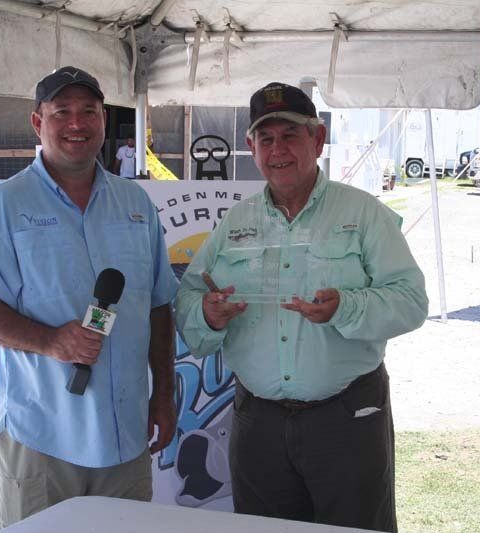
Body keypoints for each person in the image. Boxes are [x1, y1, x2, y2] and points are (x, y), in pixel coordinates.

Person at [175, 82, 428, 532]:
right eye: (266, 139)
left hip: (346, 417)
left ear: (318, 139)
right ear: (251, 147)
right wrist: (209, 315)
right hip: (259, 423)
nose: (278, 150)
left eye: (290, 136)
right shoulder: (236, 222)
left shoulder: (363, 214)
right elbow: (189, 298)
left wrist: (345, 307)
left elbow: (411, 302)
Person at [0, 66, 178, 530]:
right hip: (43, 438)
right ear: (38, 122)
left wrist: (165, 395)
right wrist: (50, 341)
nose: (77, 123)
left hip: (125, 441)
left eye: (89, 111)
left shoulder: (136, 205)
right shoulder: (4, 207)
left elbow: (157, 304)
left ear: (104, 120)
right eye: (62, 112)